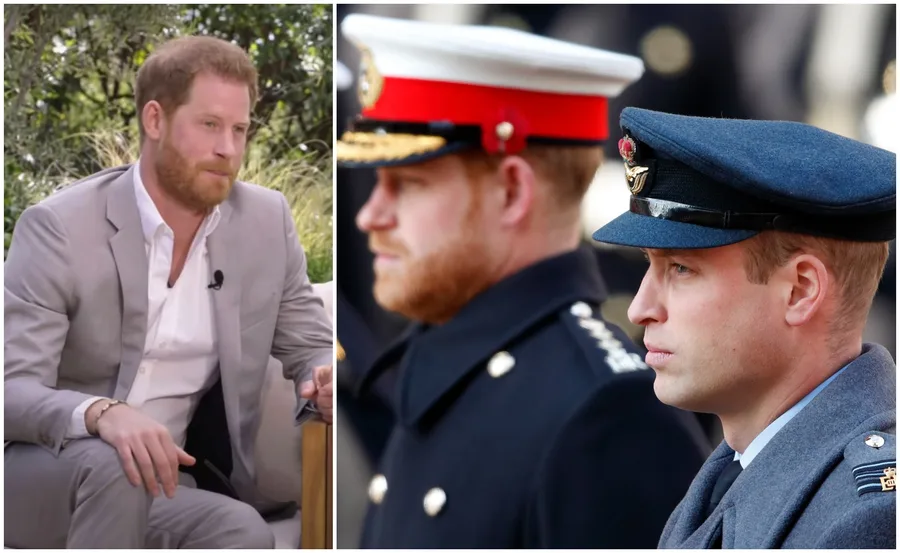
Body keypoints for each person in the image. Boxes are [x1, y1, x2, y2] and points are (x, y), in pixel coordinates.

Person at [336, 14, 710, 548]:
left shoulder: (607, 416)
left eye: (408, 184)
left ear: (512, 192)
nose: (370, 216)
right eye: (376, 184)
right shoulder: (447, 357)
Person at [4, 35, 333, 548]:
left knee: (242, 532)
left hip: (164, 484)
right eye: (209, 125)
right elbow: (11, 389)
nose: (228, 149)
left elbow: (310, 344)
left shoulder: (266, 223)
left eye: (240, 129)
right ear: (155, 120)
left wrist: (325, 378)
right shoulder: (60, 228)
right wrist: (103, 415)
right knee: (114, 462)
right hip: (48, 475)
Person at [592, 107, 896, 548]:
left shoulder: (870, 519)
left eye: (681, 268)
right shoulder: (732, 473)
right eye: (649, 265)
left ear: (800, 290)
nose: (641, 309)